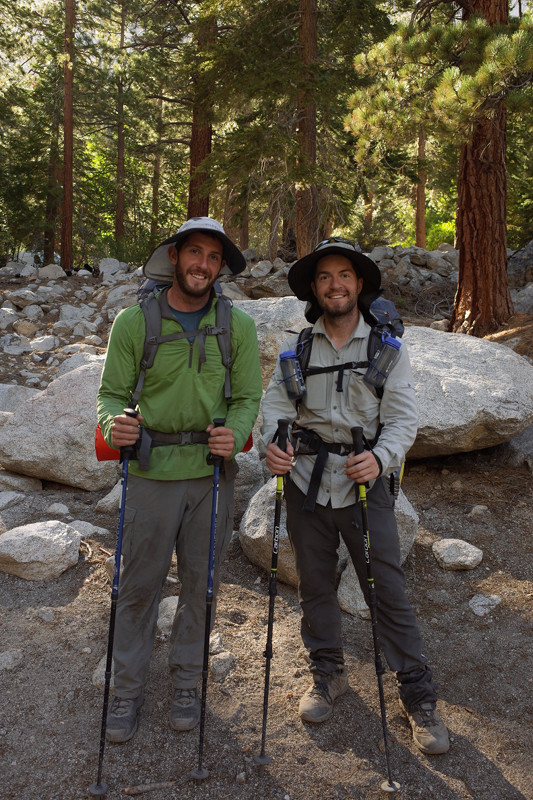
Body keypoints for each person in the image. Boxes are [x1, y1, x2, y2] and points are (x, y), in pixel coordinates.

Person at [260, 237, 449, 755]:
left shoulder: (386, 350)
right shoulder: (299, 350)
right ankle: (329, 675)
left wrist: (381, 458)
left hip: (366, 485)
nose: (335, 284)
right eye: (324, 277)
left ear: (359, 284)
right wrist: (272, 449)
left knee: (385, 589)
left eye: (344, 275)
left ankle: (418, 697)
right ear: (315, 290)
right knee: (315, 585)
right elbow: (274, 414)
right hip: (305, 484)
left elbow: (403, 421)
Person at [97, 217, 262, 743]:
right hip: (150, 474)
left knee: (202, 585)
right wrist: (113, 423)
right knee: (139, 585)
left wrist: (234, 434)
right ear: (175, 257)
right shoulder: (133, 322)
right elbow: (110, 396)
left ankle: (188, 682)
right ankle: (125, 689)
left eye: (214, 258)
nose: (203, 265)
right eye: (195, 253)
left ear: (220, 268)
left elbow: (247, 399)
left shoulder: (238, 326)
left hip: (212, 476)